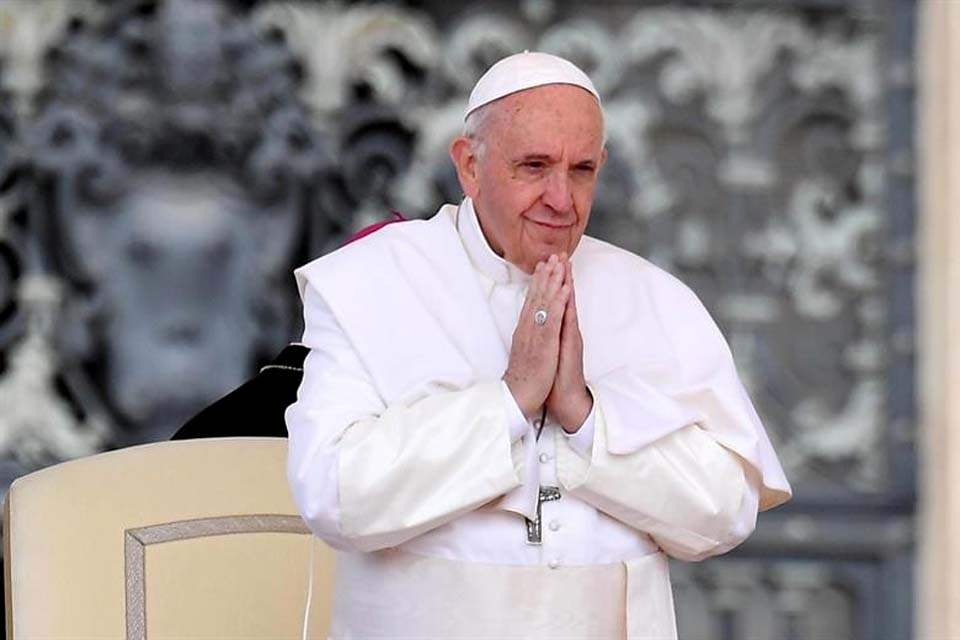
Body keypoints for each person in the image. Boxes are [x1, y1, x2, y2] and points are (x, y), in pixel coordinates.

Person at [285, 51, 791, 639]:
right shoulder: (368, 284)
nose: (562, 198)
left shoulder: (653, 297)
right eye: (534, 166)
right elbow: (334, 496)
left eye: (581, 169)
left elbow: (726, 512)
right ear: (469, 166)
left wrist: (583, 417)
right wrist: (509, 402)